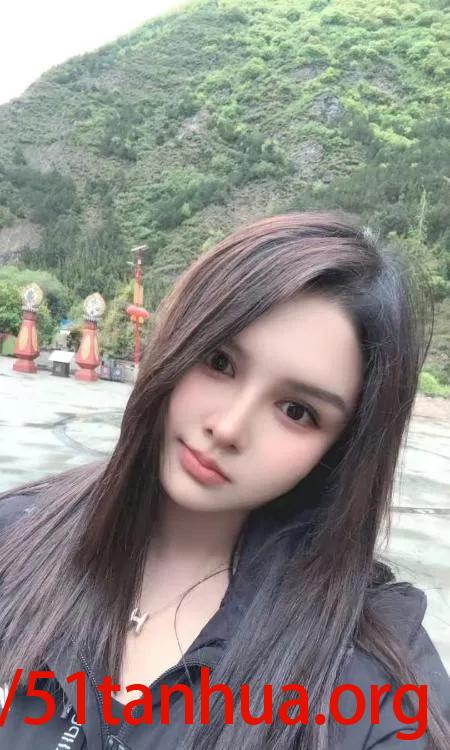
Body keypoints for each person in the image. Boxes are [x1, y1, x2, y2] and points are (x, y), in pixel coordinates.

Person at [0, 211, 448, 750]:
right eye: (219, 361)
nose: (229, 427)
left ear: (341, 448)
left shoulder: (376, 670)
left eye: (296, 411)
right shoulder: (16, 535)